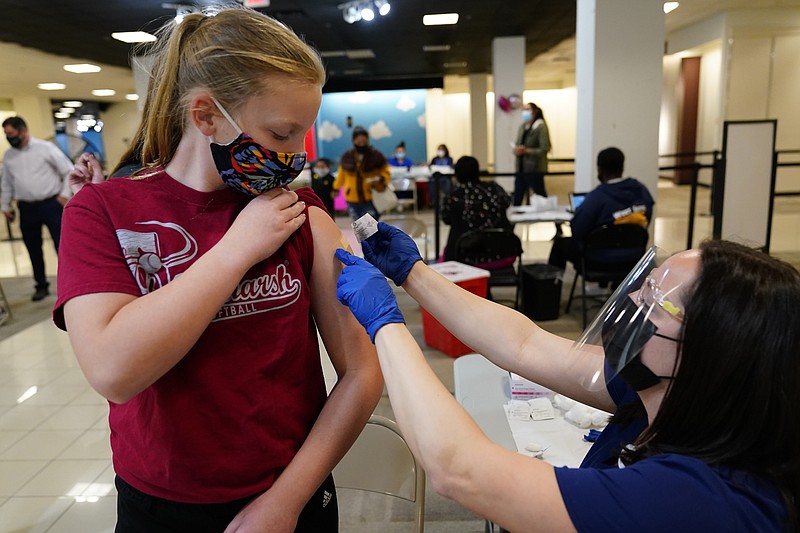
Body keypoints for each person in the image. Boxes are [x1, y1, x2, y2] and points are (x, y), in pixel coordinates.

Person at [53, 6, 383, 532]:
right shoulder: (102, 211)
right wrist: (236, 250)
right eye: (281, 133)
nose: (295, 156)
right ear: (206, 116)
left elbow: (363, 373)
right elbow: (114, 370)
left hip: (292, 493)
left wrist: (286, 501)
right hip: (161, 502)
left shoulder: (300, 215)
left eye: (304, 134)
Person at [335, 227, 800, 531]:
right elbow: (524, 346)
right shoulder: (662, 394)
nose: (634, 297)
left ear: (715, 349)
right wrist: (412, 274)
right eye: (646, 282)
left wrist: (386, 324)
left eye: (656, 299)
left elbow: (459, 468)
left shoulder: (698, 501)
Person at [1, 116, 73, 301]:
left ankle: (70, 284)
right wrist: (5, 205)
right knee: (33, 248)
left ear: (23, 131)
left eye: (11, 134)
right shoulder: (9, 155)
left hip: (51, 204)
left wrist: (64, 195)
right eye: (6, 134)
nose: (9, 138)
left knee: (62, 246)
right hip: (26, 207)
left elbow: (68, 170)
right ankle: (41, 285)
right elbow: (7, 183)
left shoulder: (45, 148)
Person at [548, 146, 655, 269]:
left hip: (597, 258)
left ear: (600, 169)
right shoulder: (641, 191)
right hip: (633, 256)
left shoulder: (596, 197)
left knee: (560, 244)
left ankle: (551, 285)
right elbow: (647, 219)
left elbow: (577, 231)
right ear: (622, 166)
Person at [441, 155, 512, 262]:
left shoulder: (454, 196)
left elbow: (446, 218)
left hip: (465, 256)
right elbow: (507, 202)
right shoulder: (494, 189)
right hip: (500, 252)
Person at [332, 126, 390, 221]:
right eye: (358, 142)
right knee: (359, 228)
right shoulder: (347, 157)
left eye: (364, 142)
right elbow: (341, 175)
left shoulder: (376, 156)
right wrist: (336, 188)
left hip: (371, 198)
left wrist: (382, 178)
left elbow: (386, 172)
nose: (361, 144)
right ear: (353, 141)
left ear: (367, 140)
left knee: (372, 226)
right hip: (352, 199)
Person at [513, 102, 551, 204]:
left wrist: (526, 151)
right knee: (517, 195)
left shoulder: (540, 126)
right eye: (524, 109)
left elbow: (544, 148)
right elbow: (518, 143)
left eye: (528, 109)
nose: (525, 112)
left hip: (534, 168)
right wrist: (517, 150)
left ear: (535, 111)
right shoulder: (522, 126)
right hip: (521, 168)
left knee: (540, 195)